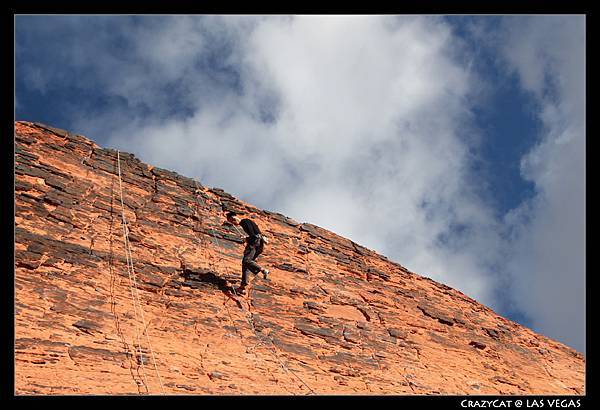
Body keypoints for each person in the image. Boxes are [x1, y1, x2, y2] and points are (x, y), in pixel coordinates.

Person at [225, 211, 270, 293]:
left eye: (232, 221)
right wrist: (247, 238)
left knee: (247, 261)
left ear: (234, 218)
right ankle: (242, 287)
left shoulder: (245, 222)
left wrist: (247, 239)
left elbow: (253, 236)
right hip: (259, 244)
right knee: (246, 264)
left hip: (254, 242)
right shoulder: (246, 222)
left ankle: (262, 270)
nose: (233, 224)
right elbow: (256, 234)